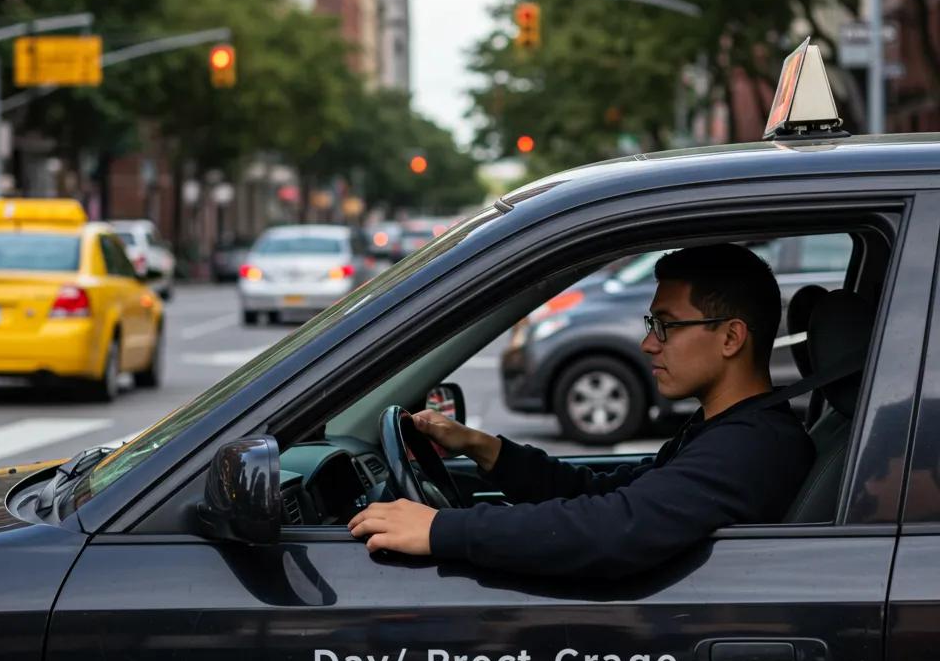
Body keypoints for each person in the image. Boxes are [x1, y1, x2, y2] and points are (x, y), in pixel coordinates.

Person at [348, 243, 816, 578]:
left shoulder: (750, 447)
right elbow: (602, 492)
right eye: (652, 323)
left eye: (667, 326)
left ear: (732, 338)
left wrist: (441, 529)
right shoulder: (726, 430)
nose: (648, 343)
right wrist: (482, 447)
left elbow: (613, 528)